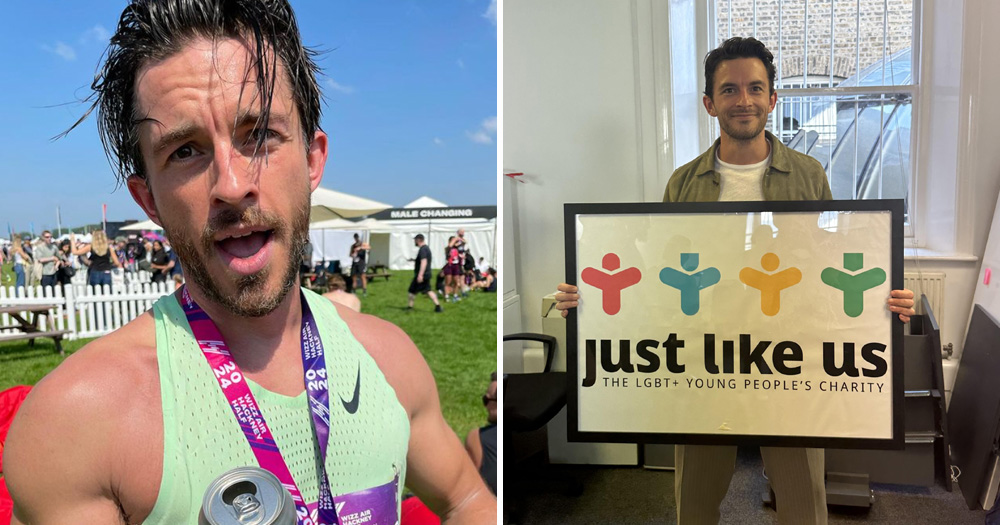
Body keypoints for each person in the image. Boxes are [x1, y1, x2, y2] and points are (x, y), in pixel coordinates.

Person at [3, 2, 495, 523]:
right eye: (185, 151)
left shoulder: (388, 359)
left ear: (312, 159)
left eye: (259, 135)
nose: (232, 186)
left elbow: (466, 499)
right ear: (148, 200)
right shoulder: (79, 421)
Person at [554, 37, 916, 525]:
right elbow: (660, 274)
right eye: (728, 90)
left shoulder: (808, 175)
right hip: (706, 353)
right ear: (709, 103)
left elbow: (834, 259)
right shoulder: (682, 184)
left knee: (803, 498)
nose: (742, 100)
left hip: (791, 356)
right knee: (695, 498)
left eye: (754, 88)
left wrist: (883, 300)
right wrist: (588, 299)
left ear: (772, 99)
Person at [465, 372, 497, 495]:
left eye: (487, 400)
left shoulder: (477, 437)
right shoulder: (532, 430)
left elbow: (467, 487)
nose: (487, 406)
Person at [408, 234, 443, 313]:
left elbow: (424, 261)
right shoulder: (426, 248)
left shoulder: (423, 249)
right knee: (428, 290)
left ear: (418, 240)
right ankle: (438, 306)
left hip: (422, 275)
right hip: (426, 274)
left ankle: (410, 308)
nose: (414, 242)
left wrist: (420, 275)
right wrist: (414, 260)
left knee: (412, 291)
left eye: (415, 240)